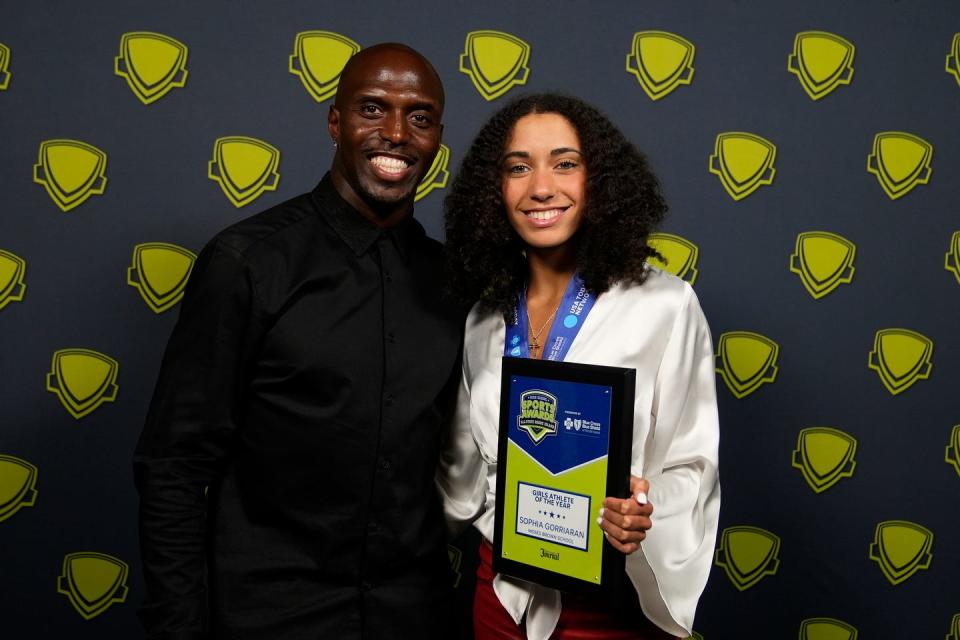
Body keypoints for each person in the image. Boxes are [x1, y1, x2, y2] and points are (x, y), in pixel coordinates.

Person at [134, 43, 462, 639]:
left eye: (419, 116)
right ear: (335, 122)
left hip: (414, 615)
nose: (396, 133)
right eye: (372, 109)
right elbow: (174, 466)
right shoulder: (248, 262)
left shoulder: (454, 283)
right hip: (270, 614)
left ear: (438, 136)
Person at [439, 94, 720, 639]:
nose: (541, 187)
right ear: (493, 191)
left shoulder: (664, 305)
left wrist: (644, 509)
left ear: (601, 181)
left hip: (609, 604)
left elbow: (693, 463)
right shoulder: (484, 320)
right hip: (501, 597)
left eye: (565, 163)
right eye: (518, 168)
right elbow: (460, 481)